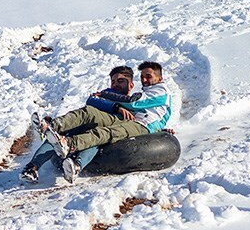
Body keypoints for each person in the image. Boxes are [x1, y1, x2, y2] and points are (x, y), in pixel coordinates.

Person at [36, 61, 172, 184]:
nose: (144, 80)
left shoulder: (160, 90)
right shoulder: (144, 93)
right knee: (97, 127)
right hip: (128, 123)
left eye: (148, 76)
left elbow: (134, 103)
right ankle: (53, 132)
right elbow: (93, 102)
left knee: (105, 133)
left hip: (141, 125)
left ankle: (71, 148)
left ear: (159, 78)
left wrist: (105, 96)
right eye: (142, 76)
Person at [20, 66, 137, 184]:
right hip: (86, 123)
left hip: (100, 132)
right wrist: (116, 108)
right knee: (57, 136)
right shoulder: (107, 94)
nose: (115, 84)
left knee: (95, 139)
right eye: (113, 81)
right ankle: (32, 168)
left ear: (131, 85)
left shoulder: (133, 103)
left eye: (120, 81)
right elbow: (92, 101)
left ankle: (76, 166)